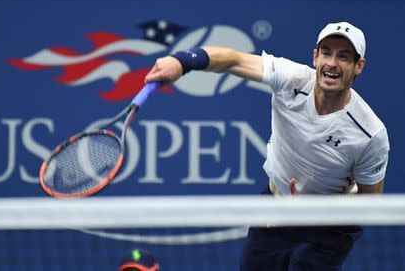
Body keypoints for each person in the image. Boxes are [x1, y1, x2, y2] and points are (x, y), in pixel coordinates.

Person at [145, 21, 390, 270]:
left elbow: (368, 205)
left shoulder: (369, 133)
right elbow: (233, 60)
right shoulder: (291, 79)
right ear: (315, 57)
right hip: (277, 204)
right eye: (326, 53)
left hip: (331, 224)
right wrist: (182, 61)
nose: (332, 63)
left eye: (344, 57)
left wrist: (314, 210)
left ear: (358, 66)